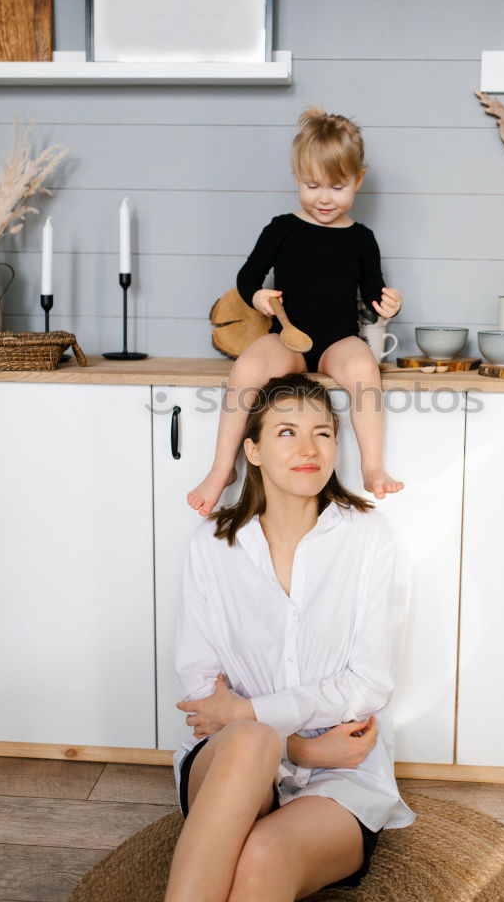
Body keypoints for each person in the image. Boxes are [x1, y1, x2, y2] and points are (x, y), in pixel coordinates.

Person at [165, 372, 416, 902]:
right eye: (286, 432)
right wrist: (297, 746)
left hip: (344, 771)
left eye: (323, 433)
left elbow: (368, 683)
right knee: (250, 739)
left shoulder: (368, 537)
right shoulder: (212, 546)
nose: (309, 448)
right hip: (233, 759)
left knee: (261, 856)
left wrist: (251, 712)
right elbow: (203, 694)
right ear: (251, 451)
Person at [186, 106, 405, 520]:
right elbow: (249, 275)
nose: (324, 197)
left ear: (359, 179)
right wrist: (258, 298)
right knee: (248, 368)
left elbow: (373, 294)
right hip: (288, 339)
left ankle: (372, 464)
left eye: (338, 187)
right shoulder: (282, 228)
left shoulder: (362, 239)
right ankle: (221, 470)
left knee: (363, 369)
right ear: (296, 177)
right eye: (312, 185)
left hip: (336, 341)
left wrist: (388, 303)